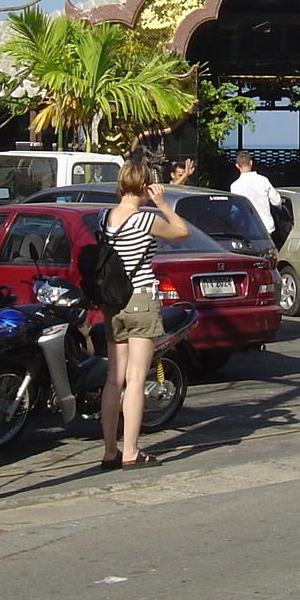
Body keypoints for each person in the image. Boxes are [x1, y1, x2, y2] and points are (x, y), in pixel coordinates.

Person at [100, 161, 189, 470]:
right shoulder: (145, 220)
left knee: (114, 379)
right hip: (141, 299)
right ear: (144, 187)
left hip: (113, 302)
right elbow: (182, 232)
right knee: (136, 379)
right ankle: (131, 452)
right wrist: (163, 204)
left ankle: (110, 450)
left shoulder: (105, 218)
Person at [229, 150, 283, 233]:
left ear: (237, 166)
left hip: (246, 227)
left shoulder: (235, 186)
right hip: (266, 226)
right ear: (251, 163)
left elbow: (236, 210)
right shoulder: (263, 180)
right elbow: (277, 201)